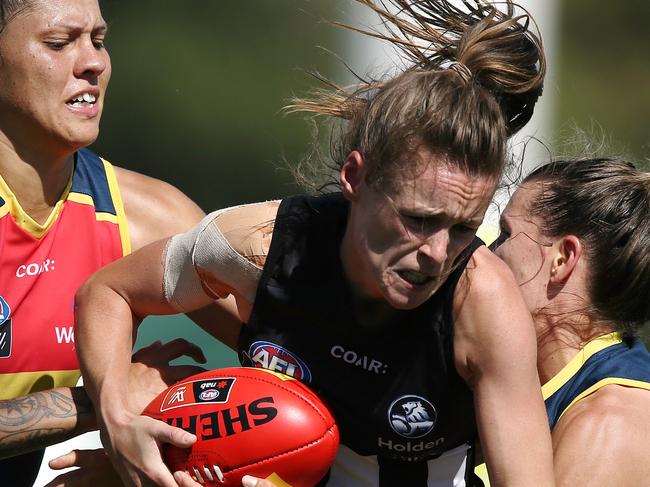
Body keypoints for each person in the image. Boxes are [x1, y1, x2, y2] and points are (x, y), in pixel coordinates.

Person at [74, 1, 553, 486]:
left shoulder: (483, 304)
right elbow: (107, 292)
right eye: (418, 219)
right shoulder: (261, 245)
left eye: (464, 230)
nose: (436, 253)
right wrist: (118, 422)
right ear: (355, 178)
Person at [0, 0, 239, 485]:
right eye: (58, 43)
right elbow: (117, 402)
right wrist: (107, 404)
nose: (93, 62)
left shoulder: (148, 213)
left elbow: (299, 349)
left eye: (98, 40)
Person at [474, 156, 650, 486]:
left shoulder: (608, 425)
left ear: (563, 259)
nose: (486, 252)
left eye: (505, 234)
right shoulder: (529, 378)